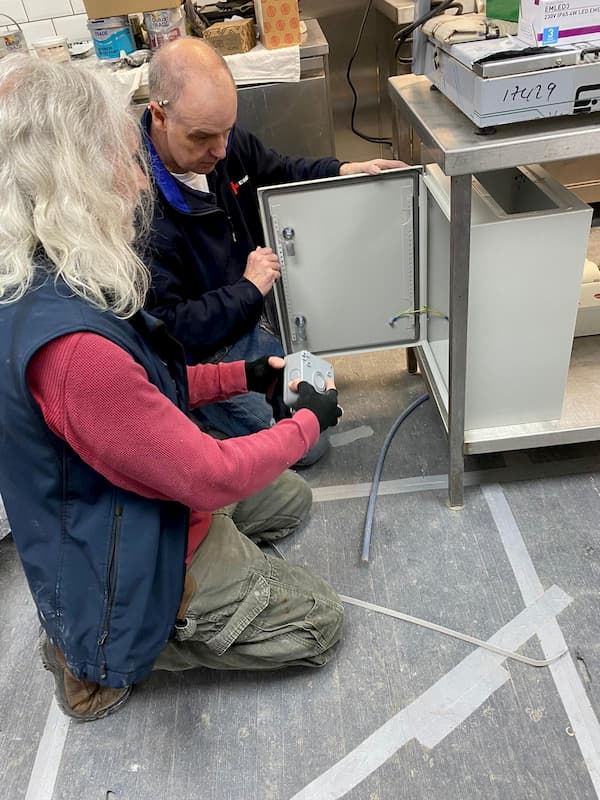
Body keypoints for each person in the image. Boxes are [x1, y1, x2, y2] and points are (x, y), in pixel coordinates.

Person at [0, 54, 343, 722]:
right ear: (75, 178)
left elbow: (145, 383)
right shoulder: (71, 349)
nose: (139, 180)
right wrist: (308, 421)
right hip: (125, 543)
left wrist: (242, 377)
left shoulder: (56, 270)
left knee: (288, 500)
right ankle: (116, 648)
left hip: (131, 498)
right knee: (318, 622)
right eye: (124, 160)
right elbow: (207, 475)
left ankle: (183, 584)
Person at [143, 37, 405, 448]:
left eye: (226, 131)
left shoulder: (225, 145)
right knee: (310, 443)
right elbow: (168, 329)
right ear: (159, 116)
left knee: (319, 405)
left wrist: (344, 169)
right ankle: (188, 402)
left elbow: (279, 170)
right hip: (204, 352)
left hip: (252, 311)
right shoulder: (137, 206)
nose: (220, 150)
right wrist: (247, 290)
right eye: (202, 137)